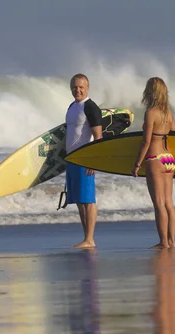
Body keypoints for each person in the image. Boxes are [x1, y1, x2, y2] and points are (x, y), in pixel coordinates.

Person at [132, 77, 175, 249]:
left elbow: (146, 142)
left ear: (150, 93)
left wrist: (137, 164)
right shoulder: (168, 113)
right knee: (168, 203)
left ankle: (163, 242)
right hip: (169, 159)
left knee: (158, 203)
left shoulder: (151, 113)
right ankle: (172, 241)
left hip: (155, 158)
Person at [65, 74, 102, 248]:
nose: (77, 90)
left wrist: (93, 160)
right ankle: (86, 237)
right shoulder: (72, 106)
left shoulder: (91, 107)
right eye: (74, 87)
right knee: (80, 200)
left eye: (81, 87)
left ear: (87, 87)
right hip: (72, 158)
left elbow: (98, 137)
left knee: (88, 200)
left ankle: (90, 239)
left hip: (85, 158)